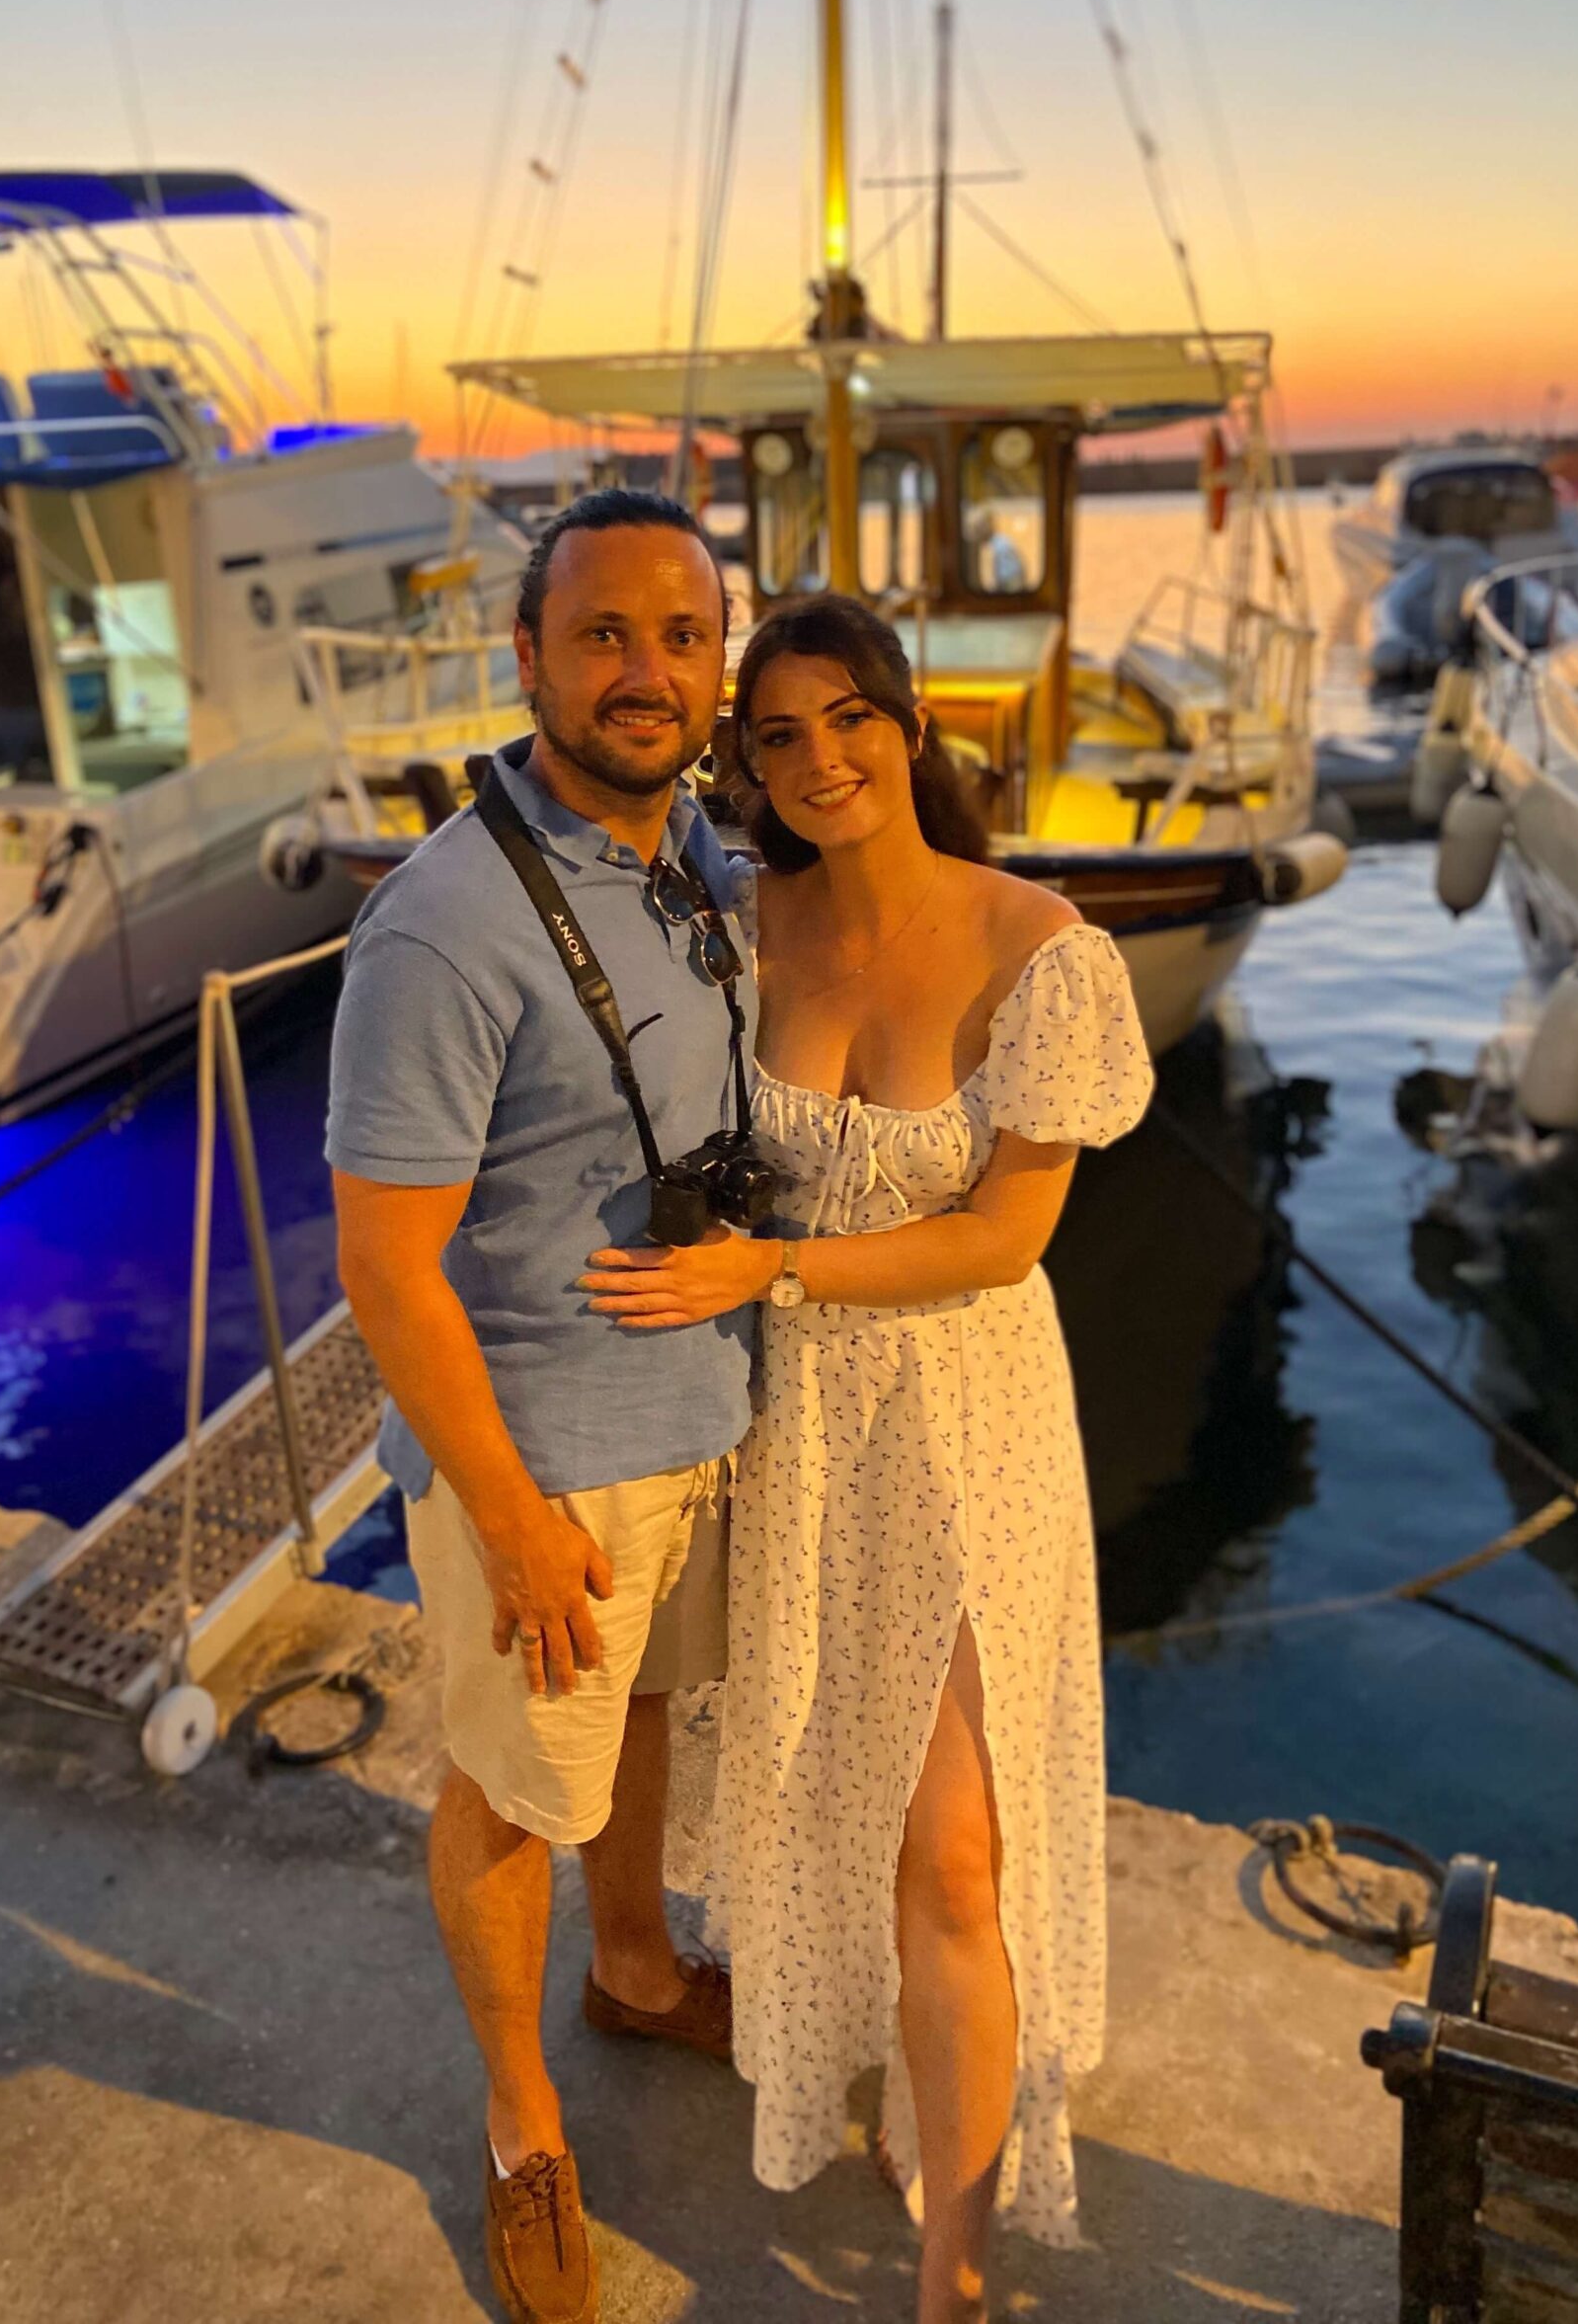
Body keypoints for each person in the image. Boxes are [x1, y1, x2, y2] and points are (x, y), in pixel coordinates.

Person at [580, 593, 1154, 2324]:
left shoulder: (1041, 946)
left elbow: (1002, 1242)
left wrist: (778, 1269)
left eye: (849, 719)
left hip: (965, 1422)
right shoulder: (743, 930)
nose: (819, 759)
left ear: (908, 726)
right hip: (793, 1426)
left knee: (958, 1844)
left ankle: (951, 2267)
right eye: (776, 734)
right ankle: (877, 2065)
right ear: (743, 765)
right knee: (848, 1804)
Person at [328, 487, 754, 2324]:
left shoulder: (693, 849)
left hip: (697, 1412)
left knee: (647, 1713)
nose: (646, 671)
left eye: (682, 633)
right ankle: (520, 2124)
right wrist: (502, 1508)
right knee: (512, 1795)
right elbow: (384, 1268)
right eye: (604, 634)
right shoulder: (443, 924)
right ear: (527, 657)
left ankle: (640, 1969)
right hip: (549, 1460)